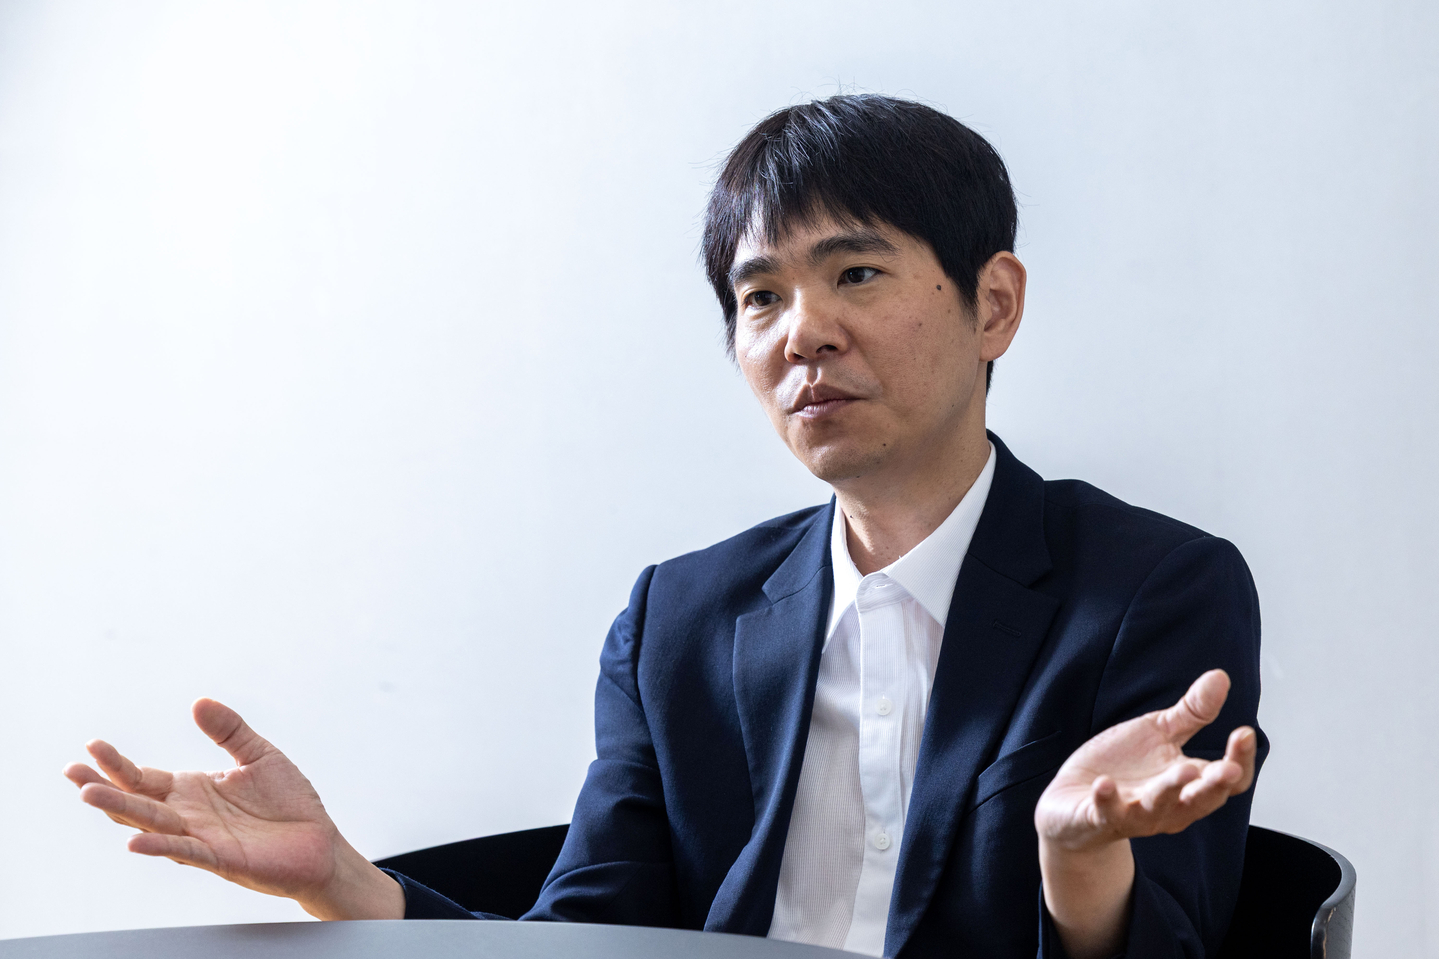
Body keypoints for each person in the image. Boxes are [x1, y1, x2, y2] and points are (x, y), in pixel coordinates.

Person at [66, 95, 1265, 959]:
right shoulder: (679, 618)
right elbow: (586, 940)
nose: (800, 332)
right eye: (759, 296)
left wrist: (1074, 857)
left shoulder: (1151, 589)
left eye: (854, 274)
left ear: (990, 304)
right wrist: (340, 879)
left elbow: (1173, 939)